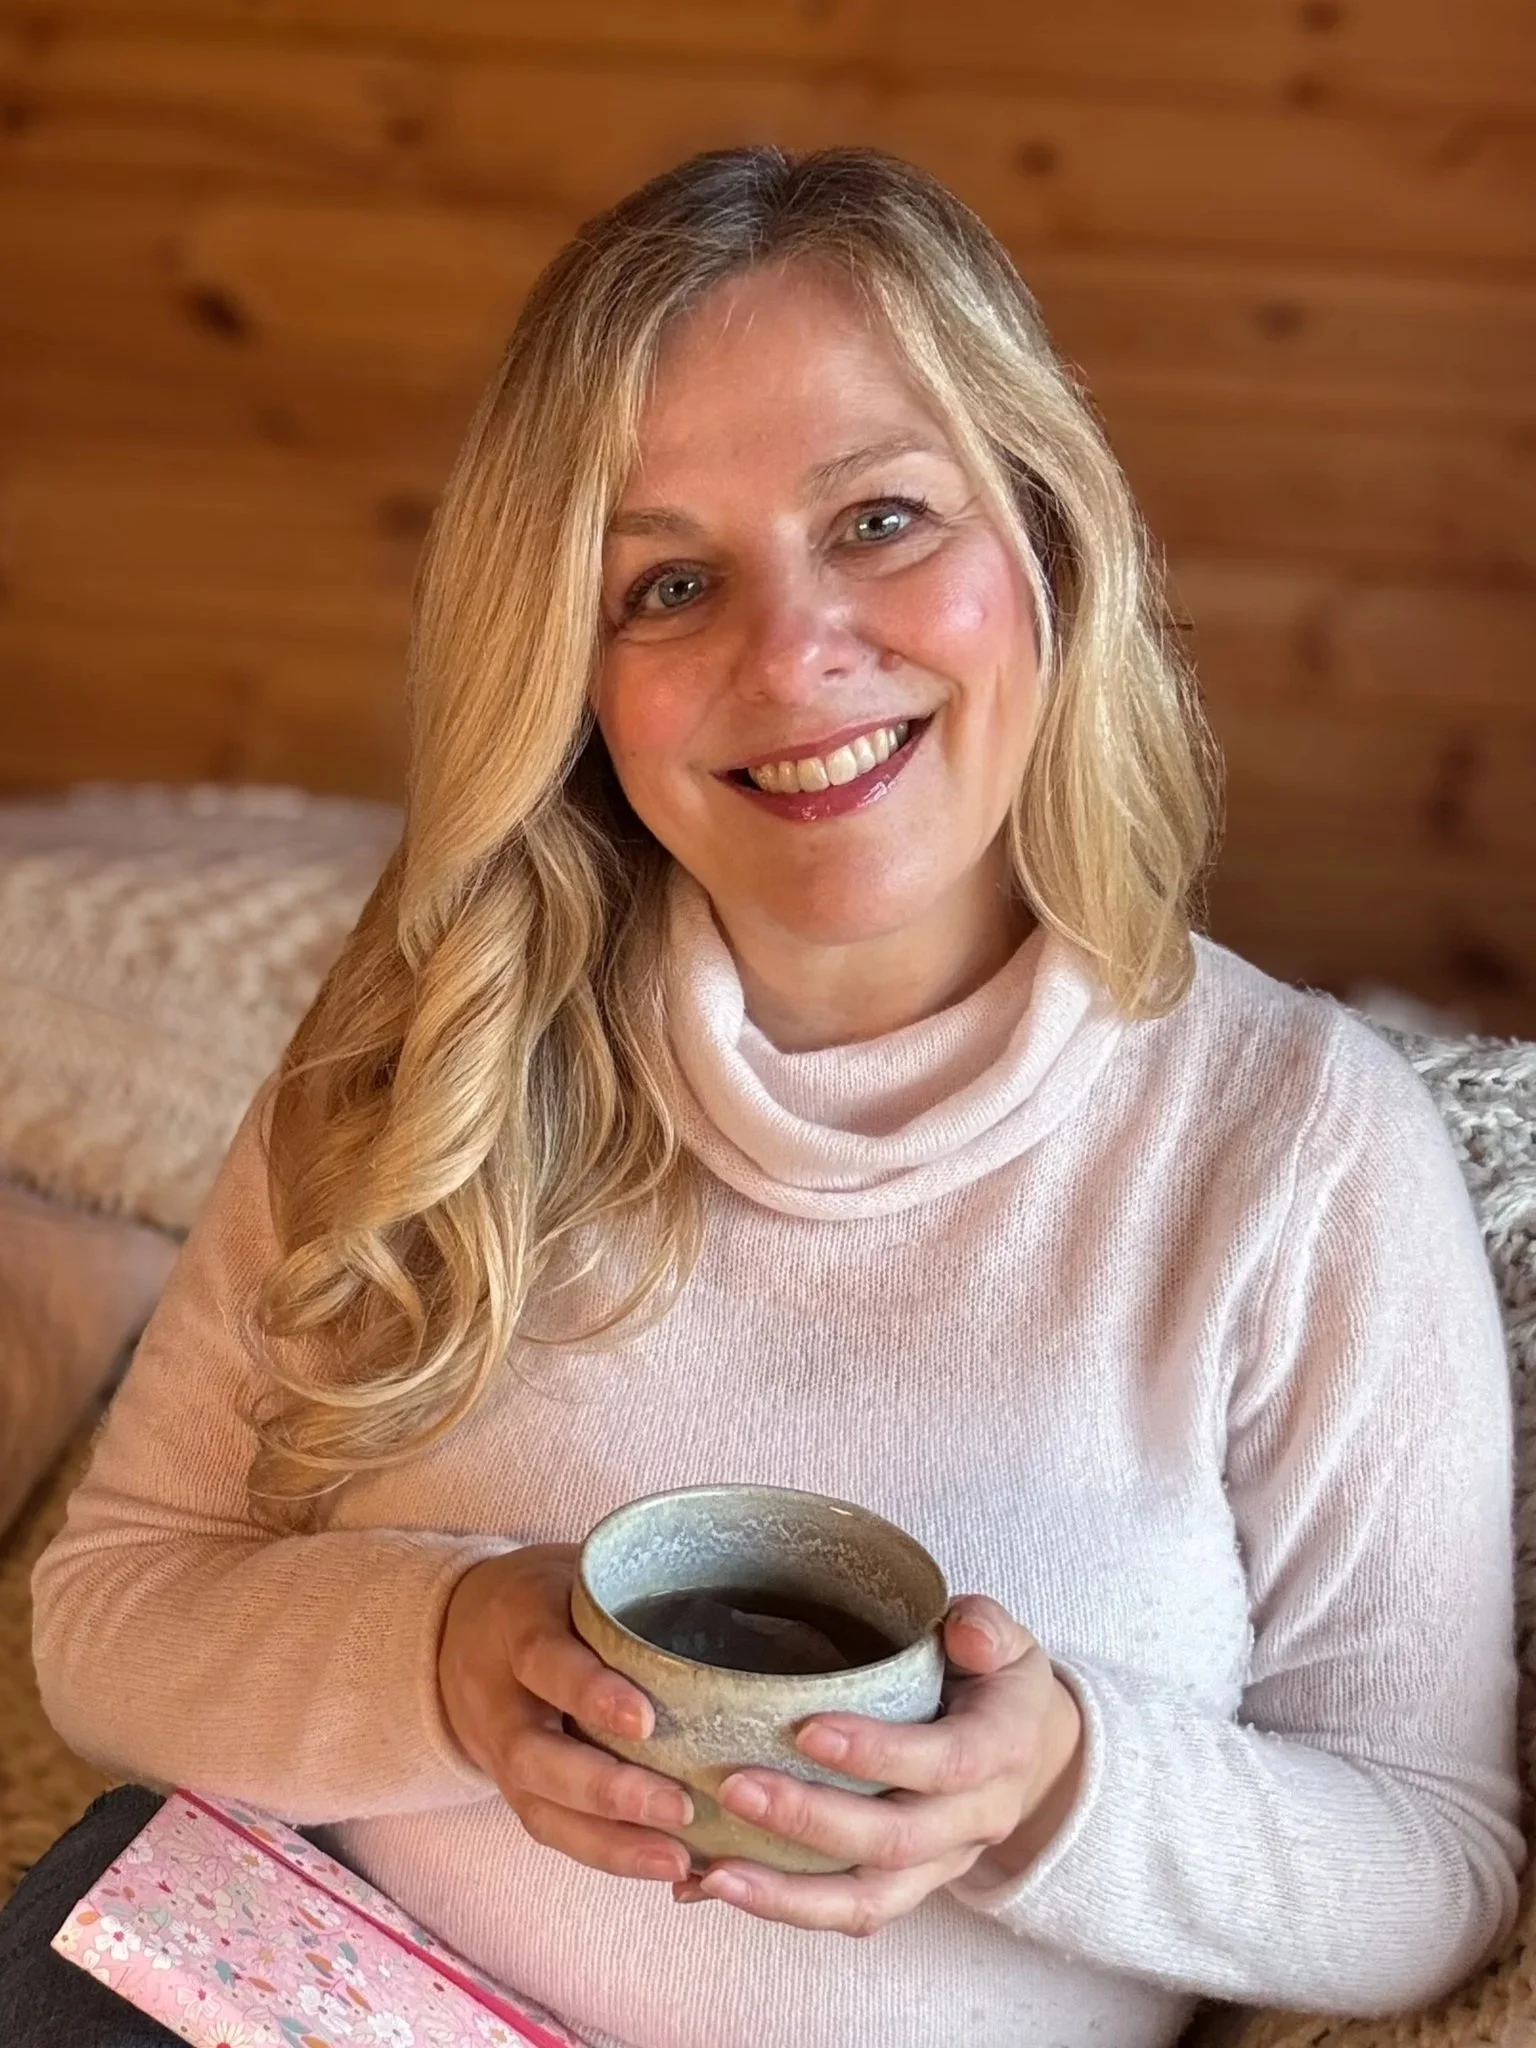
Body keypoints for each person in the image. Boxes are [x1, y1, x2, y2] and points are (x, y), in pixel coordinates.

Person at [3, 144, 1522, 2048]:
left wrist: (1059, 1786)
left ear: (1049, 543)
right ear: (569, 675)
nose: (791, 658)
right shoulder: (424, 1066)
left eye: (880, 520)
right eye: (669, 581)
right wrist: (445, 1660)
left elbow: (1437, 1868)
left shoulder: (1294, 1146)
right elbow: (115, 1617)